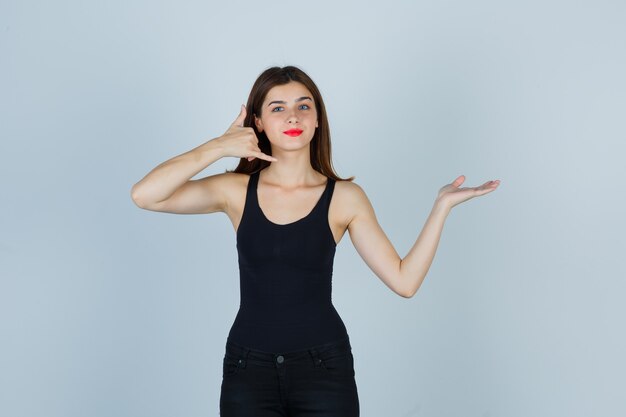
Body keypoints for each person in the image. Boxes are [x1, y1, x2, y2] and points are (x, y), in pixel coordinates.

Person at [130, 65, 500, 416]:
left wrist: (441, 207)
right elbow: (146, 195)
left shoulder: (345, 197)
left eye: (303, 106)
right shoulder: (235, 191)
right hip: (248, 371)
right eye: (278, 108)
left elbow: (405, 281)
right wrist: (218, 146)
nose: (293, 117)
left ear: (318, 118)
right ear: (257, 122)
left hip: (323, 371)